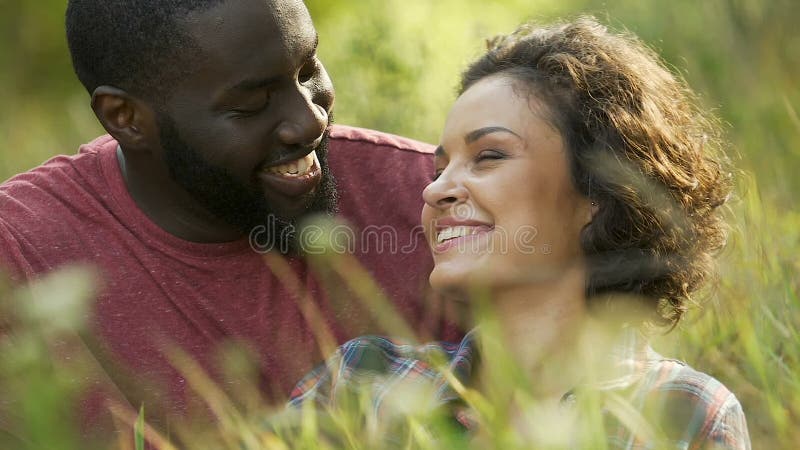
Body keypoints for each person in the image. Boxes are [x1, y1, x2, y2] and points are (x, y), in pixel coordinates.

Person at [0, 0, 455, 439]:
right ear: (126, 118)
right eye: (252, 104)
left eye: (307, 70)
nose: (310, 120)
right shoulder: (18, 258)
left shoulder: (437, 198)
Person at [289, 17, 751, 449]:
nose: (435, 190)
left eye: (488, 156)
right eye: (440, 167)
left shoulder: (684, 412)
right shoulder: (359, 381)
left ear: (601, 191)